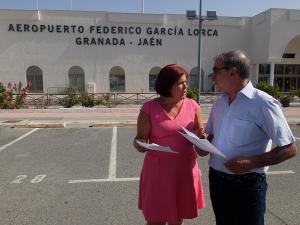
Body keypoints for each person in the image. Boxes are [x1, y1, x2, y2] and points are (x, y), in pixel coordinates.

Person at [201, 50, 297, 225]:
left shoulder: (263, 103)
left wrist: (250, 163)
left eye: (216, 71)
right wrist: (203, 143)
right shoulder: (220, 101)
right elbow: (212, 134)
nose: (212, 77)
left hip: (247, 185)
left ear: (233, 72)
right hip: (217, 181)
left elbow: (289, 148)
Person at [133, 64, 206, 225]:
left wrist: (204, 142)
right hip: (158, 173)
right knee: (155, 220)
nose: (186, 86)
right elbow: (139, 140)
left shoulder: (193, 106)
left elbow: (200, 140)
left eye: (186, 82)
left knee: (177, 219)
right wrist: (142, 144)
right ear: (167, 85)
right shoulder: (149, 108)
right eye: (181, 83)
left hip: (184, 171)